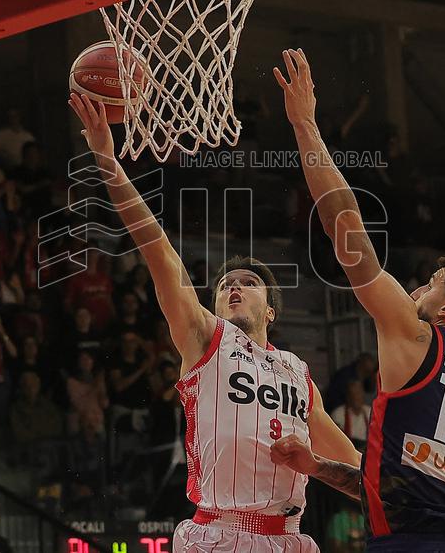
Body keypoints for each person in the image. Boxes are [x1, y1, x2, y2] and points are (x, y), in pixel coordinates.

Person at [69, 88, 361, 552]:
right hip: (220, 534)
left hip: (292, 540)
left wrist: (432, 503)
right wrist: (108, 161)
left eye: (247, 282)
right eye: (225, 285)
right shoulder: (208, 337)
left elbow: (356, 466)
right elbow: (159, 253)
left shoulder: (299, 375)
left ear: (270, 310)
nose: (232, 287)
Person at [264, 49, 445, 552]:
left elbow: (346, 227)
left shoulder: (417, 335)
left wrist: (306, 127)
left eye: (433, 282)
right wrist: (316, 467)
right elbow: (397, 485)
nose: (417, 287)